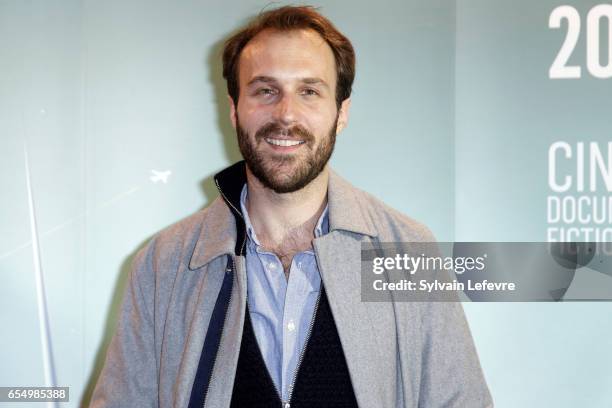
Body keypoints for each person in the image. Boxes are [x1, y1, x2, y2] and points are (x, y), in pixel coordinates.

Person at [90, 5, 493, 408]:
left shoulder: (406, 252)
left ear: (342, 113)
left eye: (309, 91)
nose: (286, 114)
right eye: (265, 90)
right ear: (234, 109)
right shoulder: (164, 266)